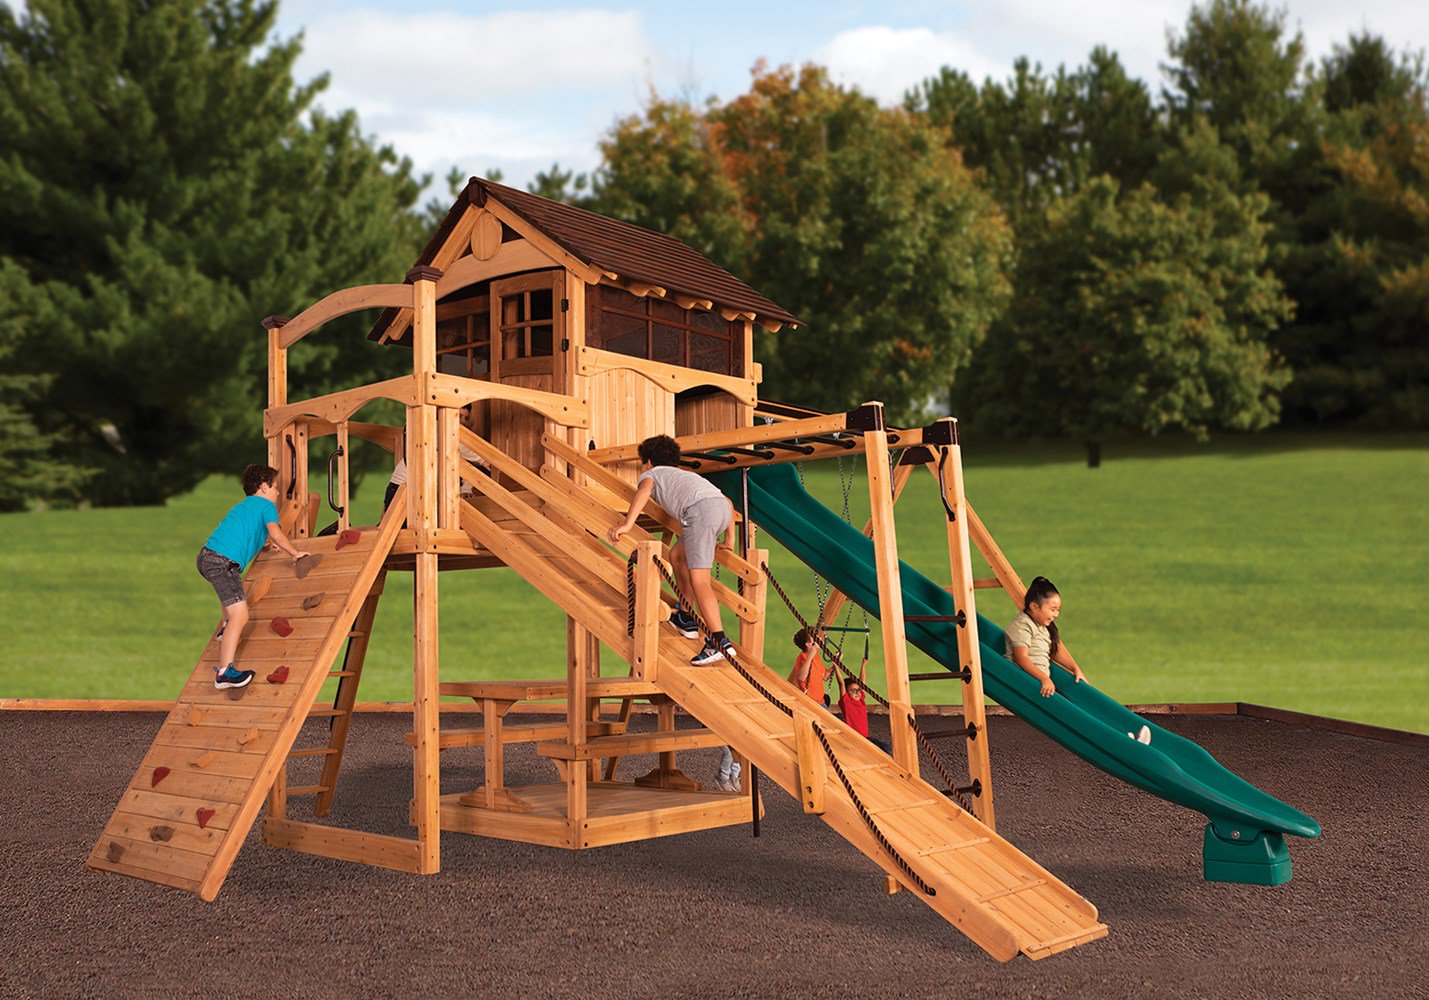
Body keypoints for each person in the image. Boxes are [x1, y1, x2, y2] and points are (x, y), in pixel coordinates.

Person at [608, 435, 737, 665]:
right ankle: (686, 617)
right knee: (677, 555)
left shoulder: (651, 474)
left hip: (698, 514)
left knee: (701, 580)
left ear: (648, 461)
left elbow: (643, 491)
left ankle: (718, 641)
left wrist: (628, 523)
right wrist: (729, 540)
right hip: (718, 510)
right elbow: (727, 502)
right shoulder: (687, 476)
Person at [198, 464, 310, 689]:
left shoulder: (242, 507)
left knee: (230, 599)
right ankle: (224, 673)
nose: (277, 493)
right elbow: (276, 532)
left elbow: (242, 536)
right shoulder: (266, 506)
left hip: (207, 557)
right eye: (275, 487)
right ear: (264, 486)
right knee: (241, 616)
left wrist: (267, 546)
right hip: (222, 562)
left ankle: (226, 628)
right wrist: (295, 553)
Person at [834, 659, 891, 753]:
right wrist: (836, 665)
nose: (857, 692)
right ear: (847, 693)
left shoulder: (861, 700)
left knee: (885, 748)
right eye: (853, 690)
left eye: (858, 690)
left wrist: (863, 665)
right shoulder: (846, 702)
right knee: (878, 750)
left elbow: (862, 682)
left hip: (865, 737)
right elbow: (841, 683)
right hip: (855, 738)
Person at [788, 628, 827, 701]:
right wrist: (811, 655)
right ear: (808, 644)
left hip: (821, 701)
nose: (819, 638)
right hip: (811, 701)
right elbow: (801, 678)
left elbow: (825, 676)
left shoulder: (816, 656)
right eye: (815, 637)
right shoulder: (802, 658)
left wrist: (835, 664)